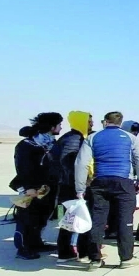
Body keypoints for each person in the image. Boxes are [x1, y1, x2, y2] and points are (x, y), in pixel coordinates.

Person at [75, 111, 139, 269]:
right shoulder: (131, 138)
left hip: (99, 182)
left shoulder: (93, 138)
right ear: (120, 123)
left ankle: (95, 259)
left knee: (97, 222)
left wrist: (80, 188)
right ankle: (126, 258)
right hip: (123, 182)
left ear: (105, 122)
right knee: (124, 221)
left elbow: (81, 163)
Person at [11, 113, 63, 259]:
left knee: (41, 217)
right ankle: (22, 248)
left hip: (47, 188)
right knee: (27, 218)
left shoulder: (52, 144)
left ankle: (36, 242)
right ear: (52, 127)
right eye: (59, 124)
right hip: (32, 189)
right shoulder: (27, 145)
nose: (61, 127)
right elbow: (22, 168)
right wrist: (28, 188)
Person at [52, 111, 95, 262]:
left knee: (69, 220)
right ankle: (80, 253)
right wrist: (83, 182)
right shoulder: (74, 139)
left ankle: (67, 253)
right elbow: (70, 162)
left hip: (68, 186)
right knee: (77, 219)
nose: (92, 124)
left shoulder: (74, 137)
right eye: (89, 121)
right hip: (72, 187)